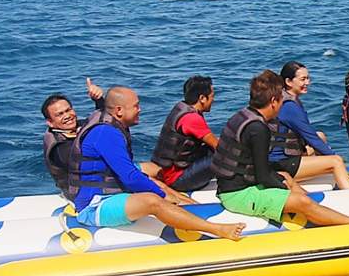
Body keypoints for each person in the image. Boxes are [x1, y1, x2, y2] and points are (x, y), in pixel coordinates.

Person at [214, 70, 349, 226]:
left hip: (233, 185)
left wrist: (286, 181)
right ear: (274, 101)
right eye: (281, 100)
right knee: (301, 202)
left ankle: (320, 210)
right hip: (238, 194)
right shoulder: (258, 129)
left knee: (286, 178)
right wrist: (287, 191)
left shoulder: (244, 115)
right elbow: (262, 176)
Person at [70, 86, 244, 240]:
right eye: (136, 106)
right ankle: (217, 229)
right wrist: (161, 195)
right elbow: (130, 178)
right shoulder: (106, 133)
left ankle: (188, 205)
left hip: (109, 191)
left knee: (155, 177)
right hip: (95, 205)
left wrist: (166, 191)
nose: (140, 109)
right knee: (153, 200)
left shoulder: (107, 121)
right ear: (119, 110)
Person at [272, 61, 349, 189]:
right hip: (281, 164)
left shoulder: (285, 98)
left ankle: (327, 176)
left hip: (286, 157)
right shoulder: (289, 107)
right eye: (303, 79)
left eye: (308, 78)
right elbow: (311, 138)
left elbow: (313, 137)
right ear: (288, 81)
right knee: (336, 161)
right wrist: (336, 158)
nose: (307, 83)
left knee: (321, 135)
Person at [150, 75, 220, 192]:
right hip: (176, 180)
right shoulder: (192, 119)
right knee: (223, 156)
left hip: (167, 173)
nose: (214, 100)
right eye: (212, 96)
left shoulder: (181, 108)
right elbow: (219, 147)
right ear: (202, 98)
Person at [41, 78, 106, 199]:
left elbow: (105, 121)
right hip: (83, 195)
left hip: (101, 181)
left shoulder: (80, 126)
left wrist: (99, 100)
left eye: (68, 110)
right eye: (60, 114)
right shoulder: (59, 147)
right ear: (50, 122)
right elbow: (88, 163)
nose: (67, 116)